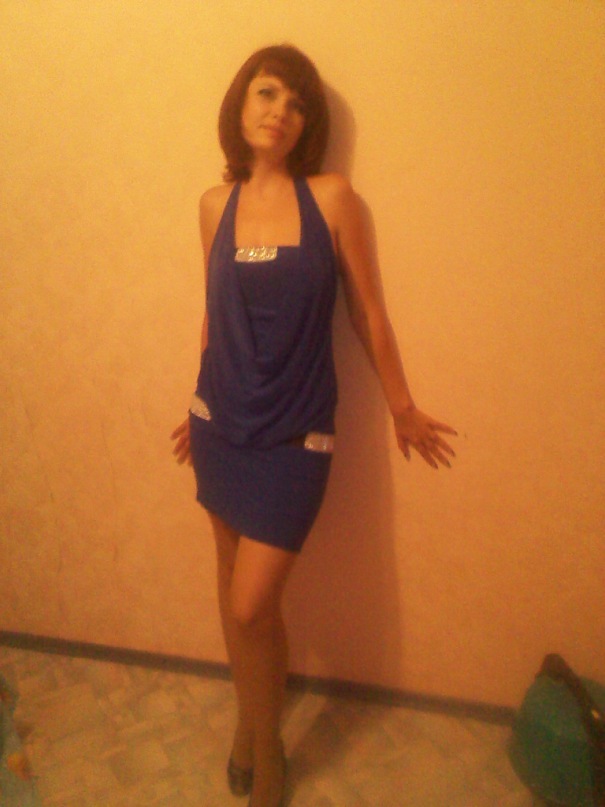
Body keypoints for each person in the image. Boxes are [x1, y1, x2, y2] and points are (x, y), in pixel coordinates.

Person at [171, 44, 456, 807]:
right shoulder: (212, 205)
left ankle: (266, 746)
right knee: (231, 590)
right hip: (218, 422)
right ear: (240, 104)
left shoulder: (330, 198)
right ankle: (251, 726)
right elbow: (214, 317)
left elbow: (367, 311)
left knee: (250, 604)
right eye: (268, 93)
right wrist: (196, 400)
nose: (281, 112)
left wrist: (400, 404)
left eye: (297, 104)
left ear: (308, 124)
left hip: (295, 433)